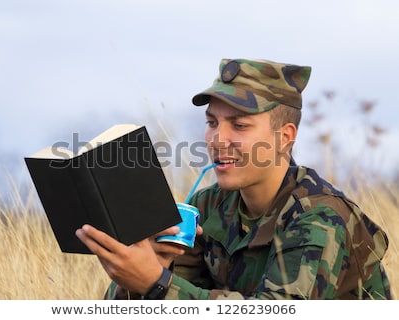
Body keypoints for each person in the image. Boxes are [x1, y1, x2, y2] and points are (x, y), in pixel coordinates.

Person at [75, 58, 391, 299]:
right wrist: (152, 266)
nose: (217, 139)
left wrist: (156, 283)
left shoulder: (319, 218)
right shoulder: (208, 206)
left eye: (239, 126)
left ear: (284, 137)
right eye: (212, 122)